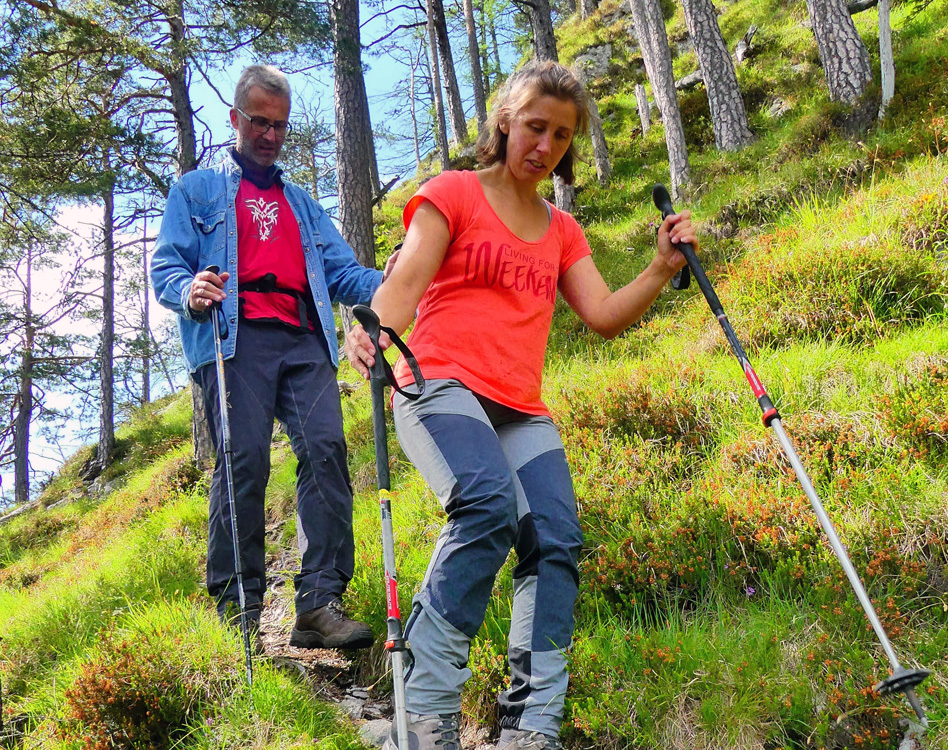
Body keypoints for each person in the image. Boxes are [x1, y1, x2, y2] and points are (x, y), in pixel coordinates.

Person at [345, 61, 699, 750]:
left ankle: (530, 727)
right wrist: (372, 329)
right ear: (505, 119)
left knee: (556, 539)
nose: (546, 146)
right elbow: (407, 279)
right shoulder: (453, 193)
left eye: (563, 136)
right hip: (437, 383)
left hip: (520, 406)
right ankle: (421, 715)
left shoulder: (562, 230)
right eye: (537, 127)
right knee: (485, 504)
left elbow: (600, 314)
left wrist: (659, 268)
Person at [151, 65, 380, 652]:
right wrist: (190, 289)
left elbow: (345, 273)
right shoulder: (195, 191)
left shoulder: (301, 204)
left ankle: (319, 603)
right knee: (243, 459)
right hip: (233, 339)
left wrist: (406, 276)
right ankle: (239, 611)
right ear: (234, 119)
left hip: (305, 338)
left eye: (279, 125)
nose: (270, 135)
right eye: (259, 121)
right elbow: (165, 270)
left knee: (325, 448)